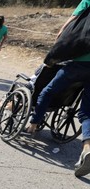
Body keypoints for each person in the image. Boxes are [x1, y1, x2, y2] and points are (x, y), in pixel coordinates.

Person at [25, 0, 90, 177]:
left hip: (77, 61)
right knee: (86, 112)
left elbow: (72, 21)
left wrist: (59, 41)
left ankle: (33, 123)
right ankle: (87, 147)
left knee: (48, 90)